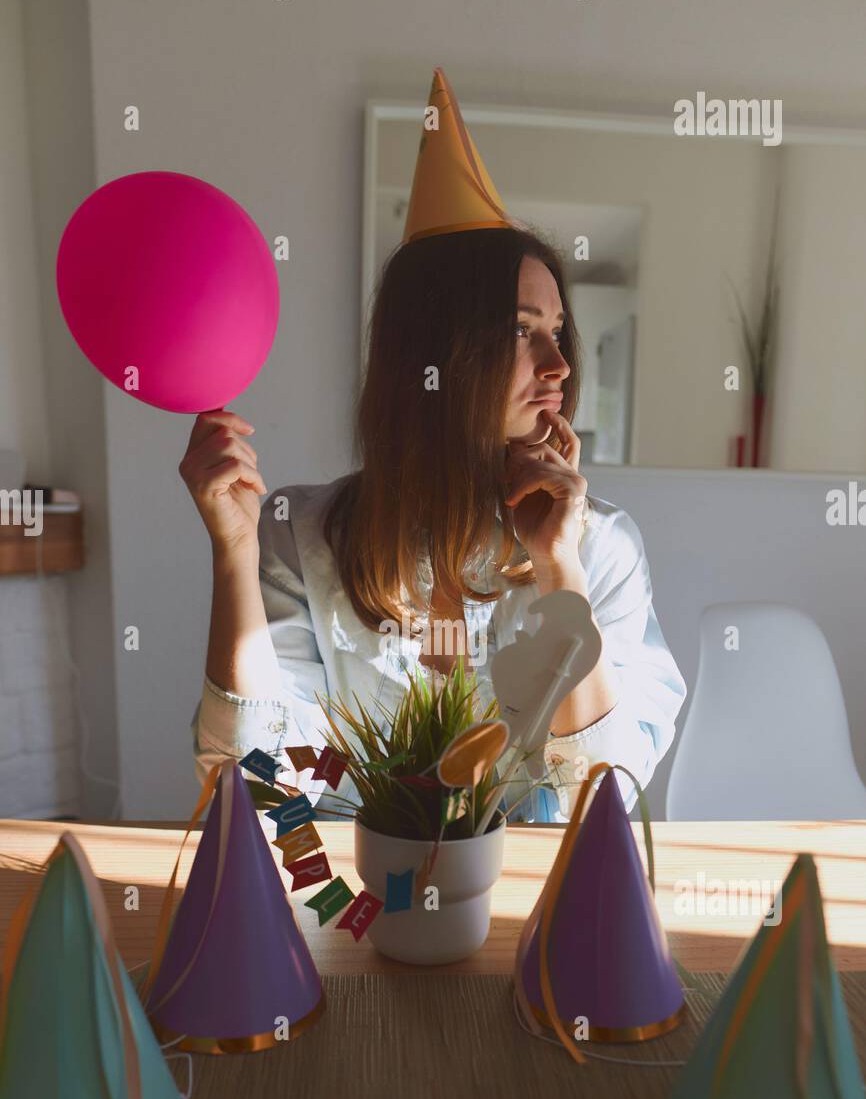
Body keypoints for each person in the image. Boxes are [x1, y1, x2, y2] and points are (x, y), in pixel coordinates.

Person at [182, 69, 686, 823]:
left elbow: (601, 799)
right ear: (438, 354)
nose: (559, 367)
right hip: (349, 908)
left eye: (556, 334)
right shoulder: (298, 533)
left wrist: (560, 569)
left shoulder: (600, 550)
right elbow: (260, 788)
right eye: (521, 331)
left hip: (535, 917)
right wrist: (233, 553)